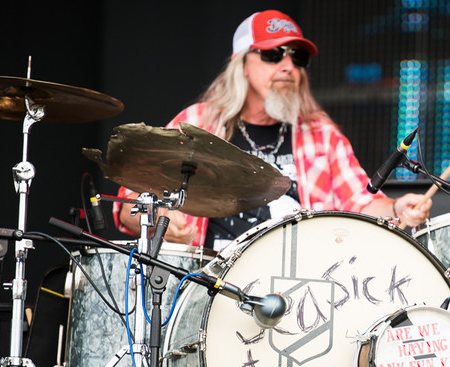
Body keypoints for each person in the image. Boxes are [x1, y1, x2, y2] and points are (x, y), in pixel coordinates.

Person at [114, 10, 431, 250]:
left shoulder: (321, 134)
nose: (288, 66)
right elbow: (128, 205)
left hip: (304, 294)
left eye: (298, 57)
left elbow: (361, 203)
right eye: (272, 54)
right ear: (243, 65)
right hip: (211, 287)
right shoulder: (199, 123)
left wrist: (395, 208)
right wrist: (163, 223)